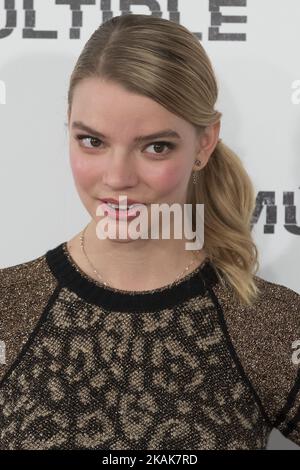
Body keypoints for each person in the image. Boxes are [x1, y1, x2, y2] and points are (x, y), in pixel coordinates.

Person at [0, 13, 299, 451]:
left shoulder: (267, 321)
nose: (118, 177)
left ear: (204, 143)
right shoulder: (9, 307)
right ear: (68, 128)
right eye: (93, 141)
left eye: (156, 147)